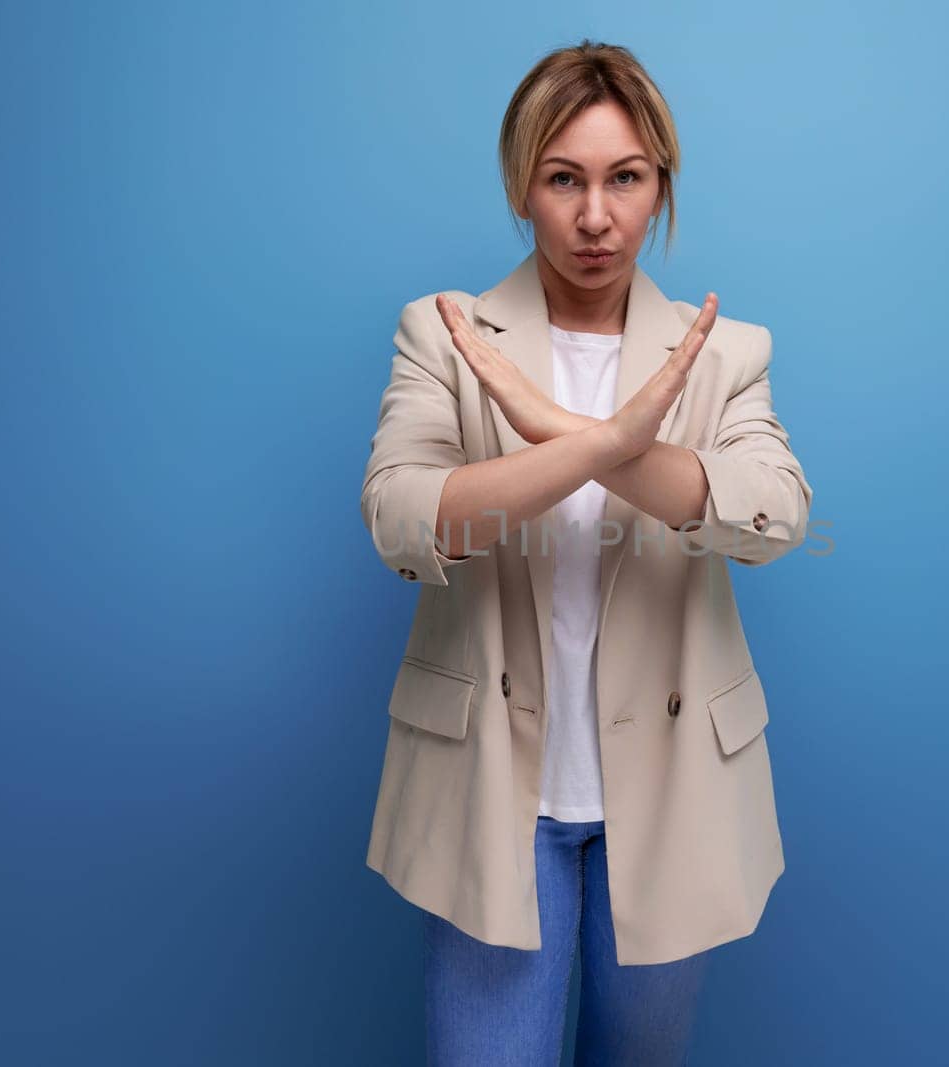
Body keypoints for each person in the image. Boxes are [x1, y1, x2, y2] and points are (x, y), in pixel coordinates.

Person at [359, 38, 814, 1065]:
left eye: (626, 178)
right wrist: (609, 442)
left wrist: (565, 435)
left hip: (674, 788)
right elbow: (403, 516)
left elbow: (774, 514)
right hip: (490, 791)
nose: (595, 216)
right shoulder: (445, 333)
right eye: (563, 178)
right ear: (523, 184)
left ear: (661, 186)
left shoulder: (725, 349)